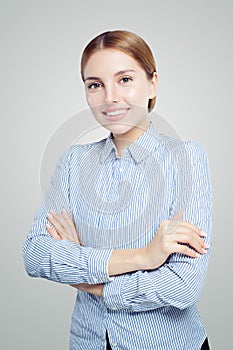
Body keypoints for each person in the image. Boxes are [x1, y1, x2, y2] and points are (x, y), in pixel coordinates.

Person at [23, 30, 212, 349]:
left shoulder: (186, 159)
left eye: (124, 79)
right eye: (95, 84)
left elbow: (183, 285)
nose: (109, 97)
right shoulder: (73, 162)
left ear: (152, 83)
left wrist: (83, 272)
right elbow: (36, 255)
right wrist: (144, 256)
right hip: (88, 341)